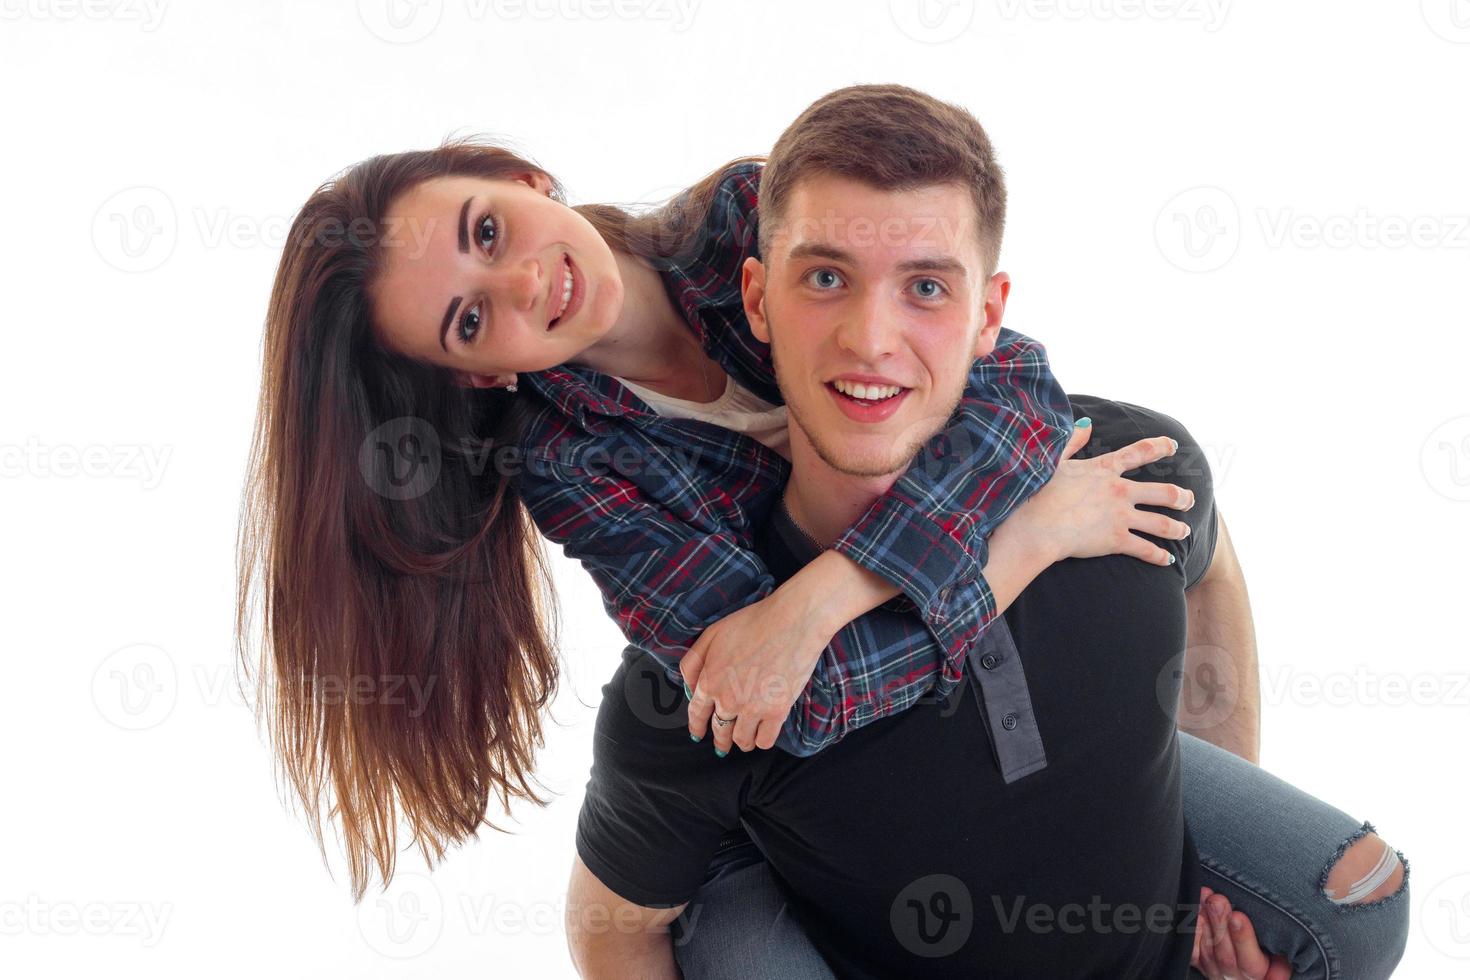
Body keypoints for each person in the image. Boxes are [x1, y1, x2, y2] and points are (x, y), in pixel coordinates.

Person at [236, 80, 1407, 976]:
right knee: (766, 814)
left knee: (1350, 895)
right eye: (469, 319)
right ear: (476, 376)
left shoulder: (745, 211)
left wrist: (1187, 859)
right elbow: (792, 695)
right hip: (797, 756)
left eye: (488, 233)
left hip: (902, 643)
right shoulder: (575, 465)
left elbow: (1009, 394)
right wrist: (1004, 546)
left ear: (525, 178)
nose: (524, 286)